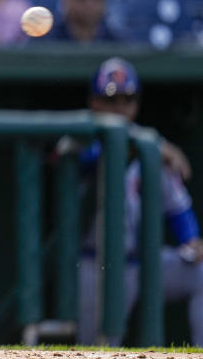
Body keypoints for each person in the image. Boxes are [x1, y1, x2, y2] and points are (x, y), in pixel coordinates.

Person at [69, 58, 203, 346]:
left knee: (200, 272)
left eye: (127, 99)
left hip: (144, 262)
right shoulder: (80, 139)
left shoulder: (151, 149)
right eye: (111, 99)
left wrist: (191, 240)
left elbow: (178, 209)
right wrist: (154, 145)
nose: (120, 107)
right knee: (99, 348)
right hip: (96, 264)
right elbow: (92, 158)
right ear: (94, 102)